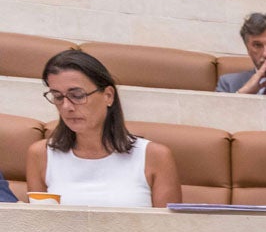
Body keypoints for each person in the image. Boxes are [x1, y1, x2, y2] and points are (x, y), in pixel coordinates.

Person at [26, 50, 180, 208]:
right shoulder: (40, 154)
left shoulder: (155, 157)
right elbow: (41, 227)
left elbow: (169, 230)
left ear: (108, 96)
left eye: (77, 95)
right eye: (58, 96)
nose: (66, 107)